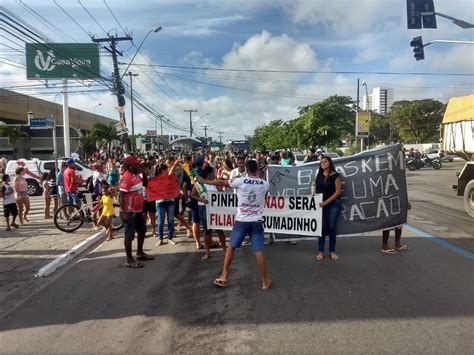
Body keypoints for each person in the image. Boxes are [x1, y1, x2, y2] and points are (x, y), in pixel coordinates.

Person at [199, 159, 271, 290]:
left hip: (242, 220)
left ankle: (224, 276)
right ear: (257, 170)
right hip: (256, 221)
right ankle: (265, 281)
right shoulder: (265, 184)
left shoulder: (240, 181)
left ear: (246, 170)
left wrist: (205, 182)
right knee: (258, 251)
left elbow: (222, 182)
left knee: (231, 246)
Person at [119, 155, 154, 268]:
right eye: (136, 164)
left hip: (138, 210)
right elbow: (121, 195)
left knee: (142, 231)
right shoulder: (126, 177)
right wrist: (123, 212)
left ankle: (140, 253)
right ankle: (129, 260)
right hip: (129, 211)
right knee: (129, 236)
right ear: (129, 166)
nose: (138, 165)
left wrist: (143, 173)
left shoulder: (136, 175)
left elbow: (145, 184)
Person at [192, 166, 227, 260]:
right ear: (208, 175)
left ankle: (225, 250)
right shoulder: (199, 183)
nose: (215, 174)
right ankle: (207, 252)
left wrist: (219, 187)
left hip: (216, 208)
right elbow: (193, 195)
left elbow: (222, 195)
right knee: (207, 231)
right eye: (213, 173)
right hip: (204, 208)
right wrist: (201, 200)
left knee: (219, 229)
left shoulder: (215, 183)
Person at [315, 156, 342, 261]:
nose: (322, 163)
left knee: (331, 227)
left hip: (333, 204)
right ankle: (320, 251)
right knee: (321, 227)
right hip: (321, 204)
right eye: (321, 162)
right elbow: (317, 189)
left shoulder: (336, 176)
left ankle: (332, 250)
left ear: (329, 163)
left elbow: (338, 192)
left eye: (325, 161)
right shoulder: (319, 175)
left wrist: (327, 201)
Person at [155, 158, 180, 246]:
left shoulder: (170, 176)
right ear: (162, 170)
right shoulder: (157, 178)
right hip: (160, 202)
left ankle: (170, 238)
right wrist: (175, 164)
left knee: (170, 220)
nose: (168, 170)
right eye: (166, 169)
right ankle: (160, 239)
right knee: (161, 221)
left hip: (170, 201)